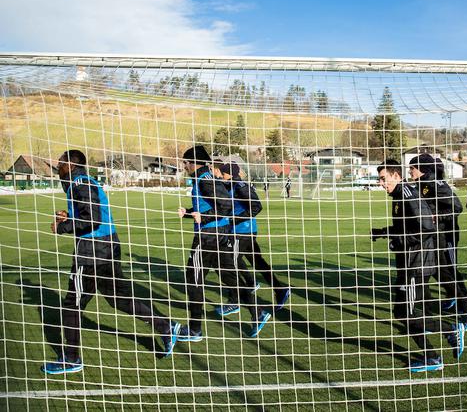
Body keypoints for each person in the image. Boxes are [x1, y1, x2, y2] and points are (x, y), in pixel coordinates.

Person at [41, 150, 180, 375]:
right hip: (109, 245)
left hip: (92, 250)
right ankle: (166, 326)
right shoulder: (85, 181)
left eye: (60, 164)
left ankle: (71, 358)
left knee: (71, 304)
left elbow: (92, 219)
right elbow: (91, 213)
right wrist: (70, 215)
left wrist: (62, 227)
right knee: (119, 298)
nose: (58, 169)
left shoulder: (79, 183)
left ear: (70, 165)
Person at [371, 160, 464, 372]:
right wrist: (383, 232)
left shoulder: (407, 193)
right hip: (408, 264)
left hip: (417, 265)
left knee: (408, 314)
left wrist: (399, 241)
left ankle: (447, 335)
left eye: (384, 178)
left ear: (396, 175)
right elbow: (405, 226)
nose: (381, 183)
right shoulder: (399, 195)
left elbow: (426, 227)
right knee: (402, 313)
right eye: (379, 179)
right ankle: (435, 351)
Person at [177, 146, 271, 341]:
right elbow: (210, 206)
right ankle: (258, 312)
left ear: (193, 163)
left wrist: (203, 216)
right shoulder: (204, 179)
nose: (183, 165)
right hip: (219, 235)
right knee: (230, 278)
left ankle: (194, 330)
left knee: (193, 280)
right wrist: (188, 212)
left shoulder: (204, 180)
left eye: (185, 162)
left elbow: (226, 205)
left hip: (208, 238)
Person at [408, 154, 467, 329]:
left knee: (443, 271)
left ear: (422, 168)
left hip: (441, 235)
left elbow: (456, 207)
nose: (410, 172)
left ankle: (466, 308)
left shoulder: (435, 183)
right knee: (440, 272)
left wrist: (437, 217)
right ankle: (457, 308)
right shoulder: (422, 183)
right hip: (430, 235)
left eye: (412, 168)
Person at [213, 162, 291, 315]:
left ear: (228, 173)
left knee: (229, 264)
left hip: (242, 232)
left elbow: (256, 207)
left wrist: (233, 220)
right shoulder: (230, 185)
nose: (220, 174)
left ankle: (234, 301)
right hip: (243, 231)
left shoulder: (240, 186)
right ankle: (280, 289)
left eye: (222, 172)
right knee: (258, 262)